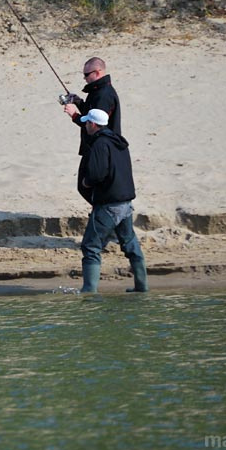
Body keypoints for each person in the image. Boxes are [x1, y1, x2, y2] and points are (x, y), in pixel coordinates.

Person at [77, 109, 147, 293]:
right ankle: (142, 287)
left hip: (109, 205)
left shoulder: (100, 144)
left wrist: (86, 181)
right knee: (130, 244)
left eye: (87, 123)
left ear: (93, 124)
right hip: (126, 204)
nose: (85, 126)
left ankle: (89, 292)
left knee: (91, 246)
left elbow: (97, 173)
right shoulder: (119, 142)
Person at [62, 56, 121, 202]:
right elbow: (92, 113)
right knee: (89, 185)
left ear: (98, 72)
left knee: (87, 185)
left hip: (100, 147)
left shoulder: (104, 94)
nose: (85, 78)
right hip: (95, 145)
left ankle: (102, 211)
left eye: (87, 75)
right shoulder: (98, 91)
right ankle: (101, 210)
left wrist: (74, 115)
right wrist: (78, 101)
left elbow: (95, 125)